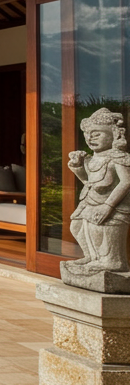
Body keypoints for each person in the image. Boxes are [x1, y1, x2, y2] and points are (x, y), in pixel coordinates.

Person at [61, 107, 130, 291]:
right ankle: (92, 256)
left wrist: (108, 206)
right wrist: (77, 167)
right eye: (87, 134)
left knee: (100, 230)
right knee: (77, 225)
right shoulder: (92, 158)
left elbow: (126, 182)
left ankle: (112, 262)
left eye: (96, 134)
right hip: (90, 201)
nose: (90, 138)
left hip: (112, 206)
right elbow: (88, 182)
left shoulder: (119, 157)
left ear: (113, 135)